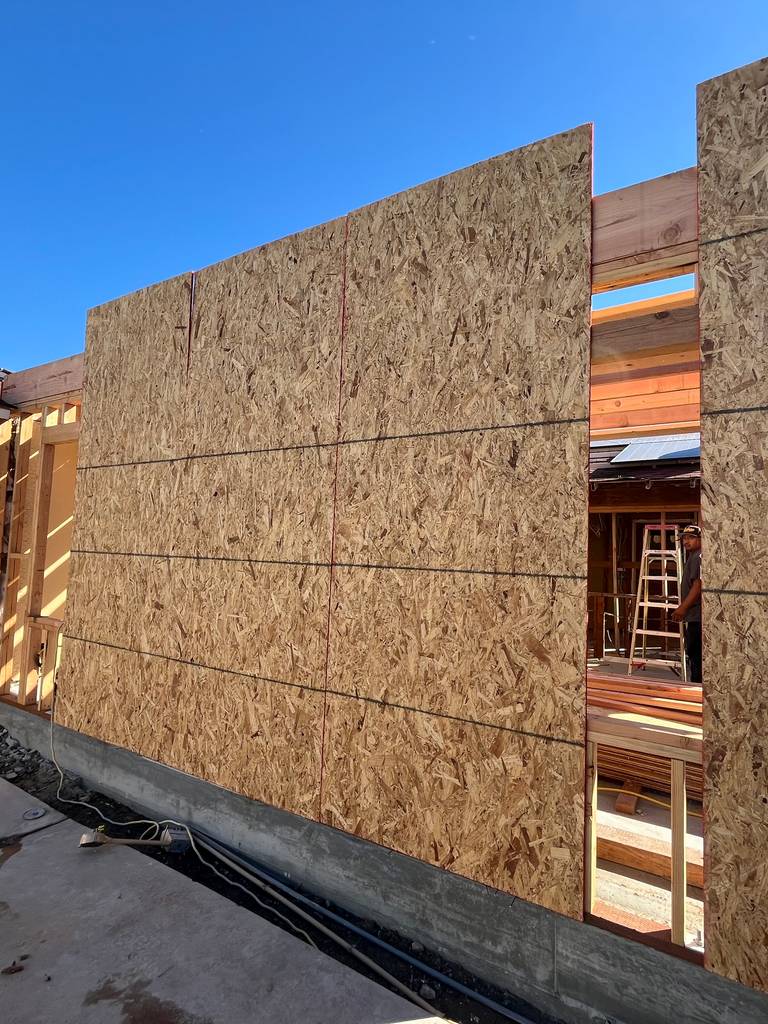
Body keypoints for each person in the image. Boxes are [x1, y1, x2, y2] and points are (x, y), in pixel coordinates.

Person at [672, 525, 702, 683]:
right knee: (693, 652)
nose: (686, 541)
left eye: (690, 538)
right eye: (684, 538)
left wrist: (682, 608)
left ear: (700, 539)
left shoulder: (698, 557)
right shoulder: (693, 556)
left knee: (696, 653)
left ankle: (697, 688)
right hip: (693, 615)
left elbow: (698, 586)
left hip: (697, 615)